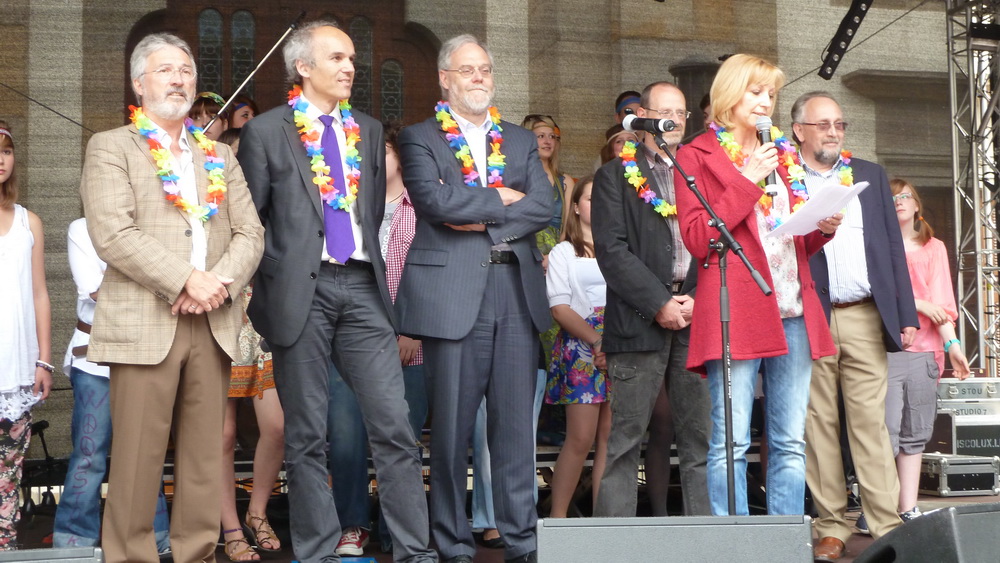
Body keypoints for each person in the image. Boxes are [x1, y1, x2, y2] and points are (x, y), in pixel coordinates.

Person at [238, 21, 436, 563]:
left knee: (394, 426)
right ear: (303, 67)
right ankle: (319, 552)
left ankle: (416, 551)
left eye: (352, 58)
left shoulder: (368, 131)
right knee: (306, 435)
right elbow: (249, 222)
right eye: (337, 57)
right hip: (299, 292)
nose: (350, 67)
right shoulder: (266, 132)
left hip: (364, 287)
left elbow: (367, 213)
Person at [79, 33, 264, 563]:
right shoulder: (112, 146)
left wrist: (217, 284)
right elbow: (113, 234)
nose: (179, 78)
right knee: (137, 459)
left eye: (186, 70)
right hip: (145, 321)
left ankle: (198, 554)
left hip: (213, 319)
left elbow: (251, 234)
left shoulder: (220, 155)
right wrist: (187, 279)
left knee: (206, 457)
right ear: (139, 84)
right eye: (165, 70)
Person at [396, 34, 552, 563]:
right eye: (467, 70)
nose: (479, 78)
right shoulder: (419, 138)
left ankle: (522, 542)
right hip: (453, 296)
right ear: (444, 78)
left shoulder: (520, 140)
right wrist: (502, 200)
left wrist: (476, 212)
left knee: (514, 434)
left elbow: (546, 206)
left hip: (515, 290)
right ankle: (453, 543)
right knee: (451, 435)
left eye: (485, 69)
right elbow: (435, 203)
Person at [673, 55, 841, 517]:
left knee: (789, 439)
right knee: (732, 438)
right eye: (755, 91)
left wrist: (821, 227)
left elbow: (789, 239)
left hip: (793, 307)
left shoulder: (782, 152)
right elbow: (697, 238)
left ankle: (784, 537)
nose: (765, 102)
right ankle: (736, 543)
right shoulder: (695, 155)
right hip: (737, 308)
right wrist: (747, 180)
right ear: (730, 93)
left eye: (770, 94)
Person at [791, 91, 919, 562]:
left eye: (839, 124)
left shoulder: (868, 173)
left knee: (871, 423)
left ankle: (885, 524)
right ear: (799, 130)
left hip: (866, 312)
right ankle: (831, 527)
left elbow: (891, 248)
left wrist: (905, 314)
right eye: (822, 124)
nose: (833, 131)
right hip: (812, 316)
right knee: (819, 421)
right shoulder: (782, 177)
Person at [591, 81, 711, 518]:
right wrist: (659, 303)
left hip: (697, 317)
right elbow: (612, 250)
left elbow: (718, 241)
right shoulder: (614, 176)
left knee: (699, 440)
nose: (675, 121)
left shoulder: (700, 173)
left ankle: (707, 545)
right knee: (625, 440)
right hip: (639, 320)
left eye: (681, 114)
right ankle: (614, 546)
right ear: (642, 115)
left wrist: (696, 298)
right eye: (666, 113)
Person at [325, 120, 429, 557]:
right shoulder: (349, 206)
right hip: (350, 335)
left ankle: (396, 528)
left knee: (400, 437)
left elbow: (429, 275)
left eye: (379, 152)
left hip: (410, 342)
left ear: (400, 157)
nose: (369, 161)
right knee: (346, 435)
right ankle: (352, 524)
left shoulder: (423, 206)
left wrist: (412, 331)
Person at [854, 178, 972, 535]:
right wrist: (916, 303)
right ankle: (876, 507)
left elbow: (942, 308)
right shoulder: (875, 247)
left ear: (917, 205)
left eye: (906, 196)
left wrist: (954, 348)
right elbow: (875, 294)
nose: (900, 201)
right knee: (883, 431)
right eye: (892, 198)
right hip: (887, 348)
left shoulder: (934, 247)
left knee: (914, 434)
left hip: (927, 352)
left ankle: (907, 507)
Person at [52, 218, 171, 556]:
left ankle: (155, 537)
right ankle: (73, 545)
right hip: (92, 356)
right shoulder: (81, 227)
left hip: (144, 352)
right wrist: (153, 284)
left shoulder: (153, 226)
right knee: (89, 453)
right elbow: (95, 290)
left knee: (144, 452)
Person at [544, 174, 611, 517]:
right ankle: (557, 521)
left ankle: (603, 526)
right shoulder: (563, 251)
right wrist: (597, 340)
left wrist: (612, 342)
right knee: (580, 439)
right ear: (575, 207)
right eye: (589, 199)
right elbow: (560, 307)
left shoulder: (620, 246)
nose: (597, 205)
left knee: (609, 443)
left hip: (620, 343)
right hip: (582, 346)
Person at [0, 120, 52, 550]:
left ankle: (5, 545)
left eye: (6, 150)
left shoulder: (28, 221)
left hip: (16, 368)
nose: (0, 159)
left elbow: (39, 294)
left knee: (9, 472)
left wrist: (44, 359)